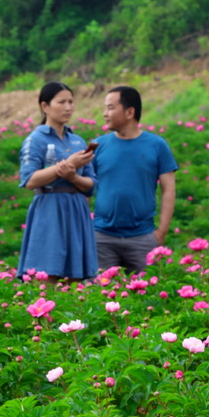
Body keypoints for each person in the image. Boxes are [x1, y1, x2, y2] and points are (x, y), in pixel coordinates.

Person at [91, 85, 177, 273]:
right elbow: (84, 188)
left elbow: (168, 190)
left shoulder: (157, 145)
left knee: (146, 296)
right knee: (100, 295)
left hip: (143, 237)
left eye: (111, 108)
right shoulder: (98, 145)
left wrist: (161, 232)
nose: (105, 114)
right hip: (102, 238)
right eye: (105, 108)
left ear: (130, 112)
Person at [16, 82, 97, 280]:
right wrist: (66, 166)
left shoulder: (77, 141)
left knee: (75, 276)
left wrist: (73, 177)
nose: (68, 107)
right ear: (45, 106)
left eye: (71, 102)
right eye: (61, 102)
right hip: (49, 208)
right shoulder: (35, 140)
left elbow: (92, 185)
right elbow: (29, 180)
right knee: (48, 273)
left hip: (76, 209)